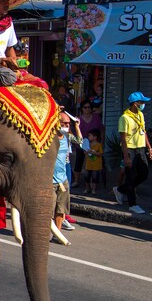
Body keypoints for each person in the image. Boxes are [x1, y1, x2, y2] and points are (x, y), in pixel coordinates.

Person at [113, 92, 152, 214]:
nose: (143, 104)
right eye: (141, 102)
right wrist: (126, 156)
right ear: (135, 104)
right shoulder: (124, 118)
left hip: (140, 148)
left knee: (144, 173)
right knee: (130, 176)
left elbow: (144, 131)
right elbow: (123, 138)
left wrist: (149, 148)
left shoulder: (140, 115)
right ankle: (132, 204)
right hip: (130, 149)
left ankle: (121, 189)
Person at [53, 110, 82, 238]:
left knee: (61, 208)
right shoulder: (49, 137)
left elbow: (80, 141)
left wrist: (77, 126)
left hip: (63, 177)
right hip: (50, 179)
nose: (66, 126)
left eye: (68, 124)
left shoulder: (67, 136)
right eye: (63, 123)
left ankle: (57, 234)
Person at [73, 99, 105, 185]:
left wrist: (102, 141)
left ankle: (94, 181)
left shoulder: (96, 117)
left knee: (95, 161)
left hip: (95, 144)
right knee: (79, 162)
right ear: (82, 109)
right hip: (82, 144)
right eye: (85, 107)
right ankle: (76, 180)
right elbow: (76, 132)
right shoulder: (78, 119)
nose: (87, 109)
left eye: (89, 107)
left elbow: (102, 130)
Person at [84, 128, 104, 194]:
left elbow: (101, 154)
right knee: (87, 177)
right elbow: (85, 152)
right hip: (88, 164)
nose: (88, 137)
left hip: (96, 165)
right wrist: (86, 152)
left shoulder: (98, 145)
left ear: (95, 137)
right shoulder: (88, 144)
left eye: (90, 135)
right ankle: (87, 188)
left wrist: (93, 152)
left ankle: (93, 189)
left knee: (95, 177)